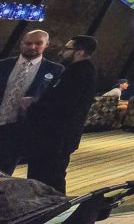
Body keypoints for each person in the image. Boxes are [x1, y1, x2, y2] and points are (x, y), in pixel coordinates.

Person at [25, 35, 98, 193]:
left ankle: (51, 206)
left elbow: (61, 105)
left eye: (67, 49)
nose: (61, 52)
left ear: (80, 52)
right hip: (61, 135)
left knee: (48, 177)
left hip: (56, 136)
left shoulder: (77, 73)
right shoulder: (84, 71)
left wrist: (33, 105)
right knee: (50, 175)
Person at [0, 29, 63, 175]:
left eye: (38, 43)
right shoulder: (3, 65)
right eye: (28, 43)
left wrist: (35, 102)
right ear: (21, 43)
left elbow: (55, 101)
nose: (32, 47)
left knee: (5, 171)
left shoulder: (55, 70)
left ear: (46, 44)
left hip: (19, 128)